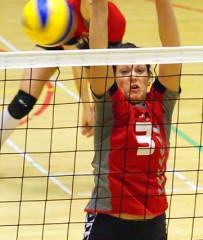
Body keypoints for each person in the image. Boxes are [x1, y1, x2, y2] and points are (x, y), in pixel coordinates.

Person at [82, 0, 181, 239]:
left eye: (140, 71)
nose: (134, 78)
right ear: (114, 78)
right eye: (124, 72)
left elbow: (173, 51)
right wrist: (99, 7)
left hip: (153, 224)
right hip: (108, 224)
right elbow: (98, 52)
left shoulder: (161, 105)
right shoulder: (111, 107)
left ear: (149, 77)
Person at [0, 0, 126, 148]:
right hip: (55, 43)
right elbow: (76, 64)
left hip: (92, 54)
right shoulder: (66, 11)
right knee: (23, 101)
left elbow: (103, 70)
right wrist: (86, 108)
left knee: (111, 101)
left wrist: (96, 108)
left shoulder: (116, 20)